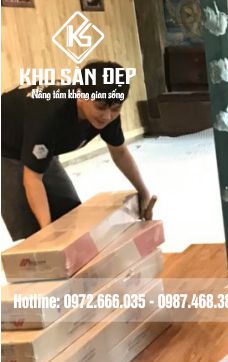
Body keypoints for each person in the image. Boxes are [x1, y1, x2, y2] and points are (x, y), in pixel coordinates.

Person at [1, 61, 155, 240]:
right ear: (80, 94)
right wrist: (48, 235)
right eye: (100, 107)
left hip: (38, 140)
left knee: (71, 215)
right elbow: (33, 178)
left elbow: (120, 153)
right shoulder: (50, 115)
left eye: (115, 108)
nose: (107, 116)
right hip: (6, 146)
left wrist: (144, 192)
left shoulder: (108, 111)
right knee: (32, 229)